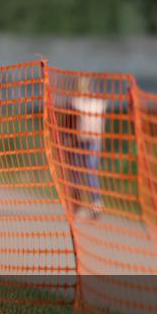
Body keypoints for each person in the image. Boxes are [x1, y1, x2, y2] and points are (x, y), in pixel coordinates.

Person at [67, 76, 107, 220]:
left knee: (90, 171)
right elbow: (70, 121)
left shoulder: (98, 104)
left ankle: (96, 203)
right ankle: (77, 206)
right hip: (78, 141)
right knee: (76, 174)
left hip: (93, 142)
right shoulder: (76, 103)